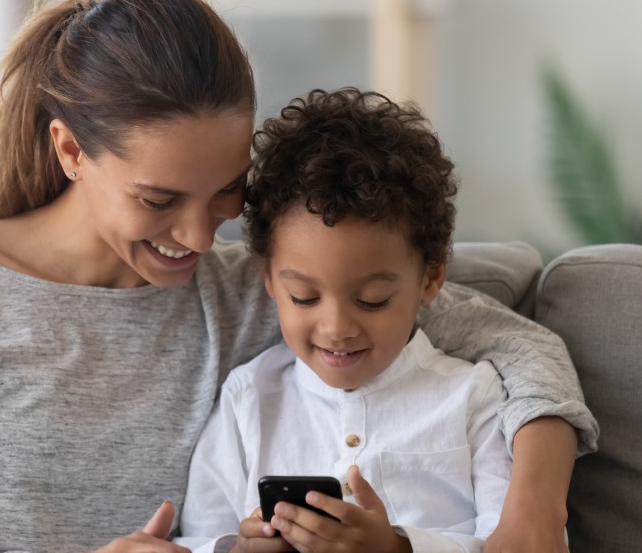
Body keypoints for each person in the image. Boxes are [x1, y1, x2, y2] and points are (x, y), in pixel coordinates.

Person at [0, 0, 597, 553]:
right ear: (71, 151)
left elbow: (522, 347)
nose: (198, 236)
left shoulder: (258, 294)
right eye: (159, 197)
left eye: (227, 190)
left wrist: (529, 517)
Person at [179, 87, 514, 553]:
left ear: (431, 278)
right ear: (270, 280)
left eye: (373, 300)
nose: (336, 327)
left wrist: (398, 549)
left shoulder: (473, 398)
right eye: (304, 296)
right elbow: (195, 537)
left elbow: (518, 540)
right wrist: (236, 549)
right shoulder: (247, 400)